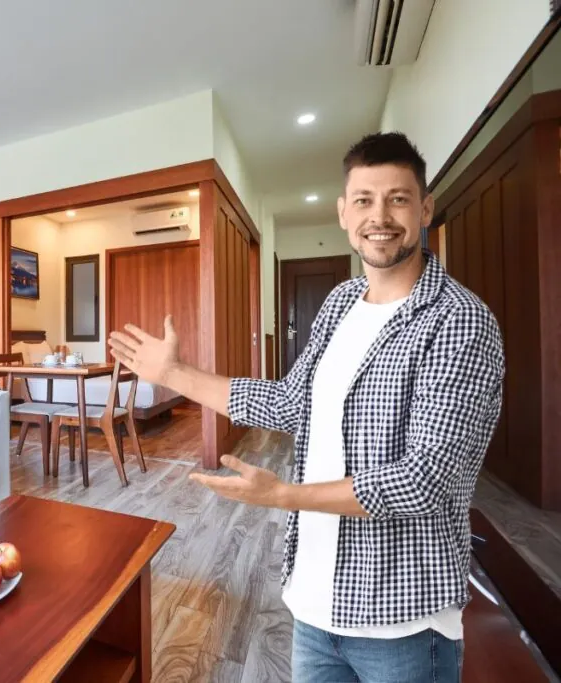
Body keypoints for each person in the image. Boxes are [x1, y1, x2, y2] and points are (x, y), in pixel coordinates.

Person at [108, 132, 504, 683]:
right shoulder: (340, 303)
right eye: (364, 199)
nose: (380, 216)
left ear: (425, 208)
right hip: (314, 600)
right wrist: (176, 375)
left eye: (398, 198)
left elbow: (426, 479)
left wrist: (283, 496)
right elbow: (292, 402)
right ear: (344, 212)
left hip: (403, 618)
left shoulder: (460, 320)